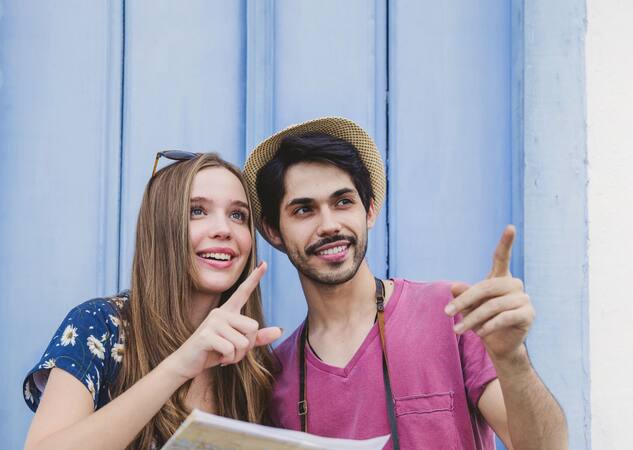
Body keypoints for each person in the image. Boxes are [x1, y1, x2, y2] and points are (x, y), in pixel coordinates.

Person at [242, 117, 568, 449]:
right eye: (303, 210)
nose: (329, 225)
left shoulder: (450, 312)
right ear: (273, 231)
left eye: (343, 202)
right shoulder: (275, 375)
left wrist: (513, 357)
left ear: (368, 211)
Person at [22, 153, 283, 450]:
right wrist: (181, 365)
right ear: (160, 228)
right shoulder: (99, 326)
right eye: (197, 211)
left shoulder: (253, 363)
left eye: (238, 215)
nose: (224, 229)